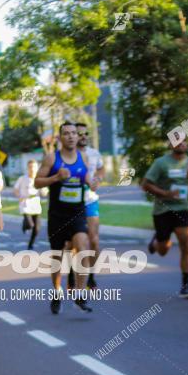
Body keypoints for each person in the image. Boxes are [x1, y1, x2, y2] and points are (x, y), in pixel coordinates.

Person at [34, 122, 99, 314]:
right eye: (66, 133)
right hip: (57, 215)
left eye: (74, 133)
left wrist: (92, 182)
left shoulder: (83, 157)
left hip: (77, 213)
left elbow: (86, 177)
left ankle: (79, 294)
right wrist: (55, 178)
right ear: (60, 138)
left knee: (83, 245)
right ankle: (56, 291)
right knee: (58, 256)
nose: (71, 136)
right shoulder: (52, 158)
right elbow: (37, 182)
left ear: (78, 137)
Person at [142, 140, 188, 299]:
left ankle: (185, 287)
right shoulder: (161, 163)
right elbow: (145, 184)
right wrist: (165, 194)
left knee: (186, 245)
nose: (181, 143)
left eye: (184, 140)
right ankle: (157, 241)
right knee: (163, 251)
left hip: (183, 209)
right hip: (163, 211)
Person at [76, 123, 106, 289]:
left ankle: (92, 275)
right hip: (71, 203)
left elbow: (101, 169)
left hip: (90, 200)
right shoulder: (67, 155)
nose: (83, 136)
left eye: (85, 133)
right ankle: (74, 273)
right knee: (72, 244)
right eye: (79, 133)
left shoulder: (94, 153)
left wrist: (99, 179)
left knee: (94, 241)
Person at [13, 160, 44, 249]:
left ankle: (31, 244)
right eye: (30, 167)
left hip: (36, 206)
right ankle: (25, 224)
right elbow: (15, 189)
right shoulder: (22, 178)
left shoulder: (39, 179)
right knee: (30, 225)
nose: (32, 169)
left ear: (37, 168)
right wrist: (19, 196)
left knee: (37, 229)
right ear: (27, 168)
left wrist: (44, 191)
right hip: (25, 205)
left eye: (34, 167)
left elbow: (44, 192)